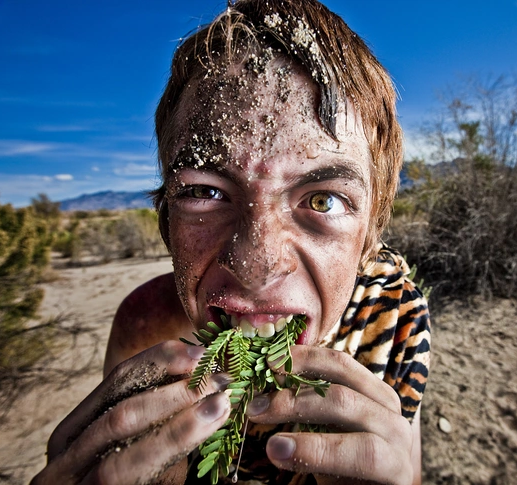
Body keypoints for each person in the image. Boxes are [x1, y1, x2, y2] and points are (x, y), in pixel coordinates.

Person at [31, 0, 430, 483]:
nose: (256, 264)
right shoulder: (144, 325)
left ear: (369, 236)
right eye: (205, 192)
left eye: (324, 200)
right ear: (166, 226)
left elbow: (406, 457)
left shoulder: (391, 319)